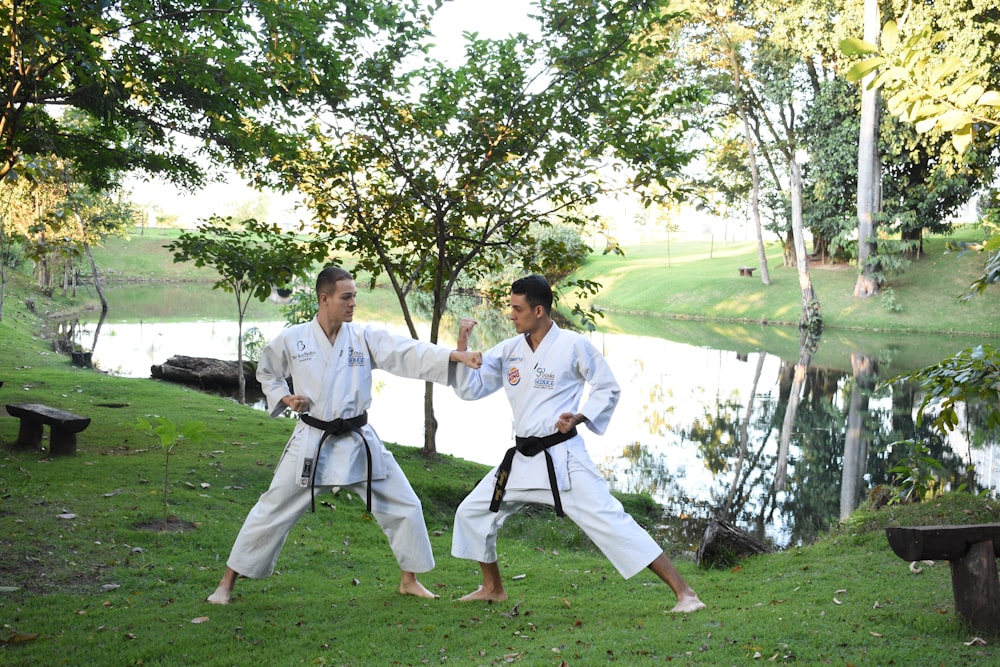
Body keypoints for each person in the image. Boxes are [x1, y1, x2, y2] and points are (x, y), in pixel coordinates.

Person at [207, 266, 482, 605]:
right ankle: (226, 583)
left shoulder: (363, 337)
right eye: (346, 297)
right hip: (313, 442)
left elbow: (406, 352)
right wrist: (283, 397)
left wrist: (453, 355)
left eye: (355, 296)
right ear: (324, 299)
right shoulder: (294, 339)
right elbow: (267, 371)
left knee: (405, 504)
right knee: (271, 510)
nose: (353, 303)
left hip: (358, 441)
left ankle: (409, 580)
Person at [449, 274, 705, 613]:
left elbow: (607, 387)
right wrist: (462, 345)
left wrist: (580, 417)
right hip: (521, 459)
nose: (510, 315)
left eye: (517, 308)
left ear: (538, 310)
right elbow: (472, 388)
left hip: (562, 458)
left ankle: (686, 594)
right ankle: (492, 587)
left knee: (611, 520)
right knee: (473, 511)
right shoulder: (510, 350)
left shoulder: (573, 345)